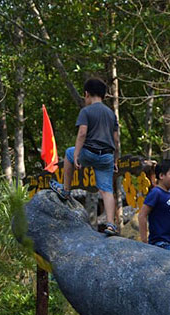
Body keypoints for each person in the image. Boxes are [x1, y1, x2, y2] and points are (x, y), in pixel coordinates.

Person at [51, 78, 120, 236]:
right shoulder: (111, 114)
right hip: (107, 156)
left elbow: (82, 133)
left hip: (89, 152)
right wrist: (115, 160)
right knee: (107, 190)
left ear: (87, 94)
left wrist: (76, 155)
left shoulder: (86, 111)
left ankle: (65, 189)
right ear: (104, 95)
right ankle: (111, 224)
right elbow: (116, 140)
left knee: (69, 152)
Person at [138, 159, 170, 252]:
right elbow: (142, 215)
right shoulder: (156, 193)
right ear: (161, 175)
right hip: (160, 244)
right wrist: (144, 241)